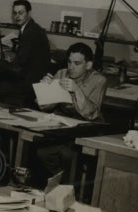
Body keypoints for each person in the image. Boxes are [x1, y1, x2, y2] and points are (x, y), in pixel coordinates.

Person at [34, 42, 108, 186]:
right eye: (69, 62)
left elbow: (90, 113)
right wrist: (45, 89)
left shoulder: (99, 80)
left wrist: (76, 89)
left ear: (88, 65)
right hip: (65, 128)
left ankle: (69, 187)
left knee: (68, 155)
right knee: (41, 151)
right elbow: (44, 107)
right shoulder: (62, 73)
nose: (71, 67)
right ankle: (60, 184)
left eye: (77, 63)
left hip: (88, 129)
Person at [0, 0, 51, 105]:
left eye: (21, 12)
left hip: (31, 83)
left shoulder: (30, 32)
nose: (17, 16)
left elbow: (17, 66)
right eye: (15, 13)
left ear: (29, 13)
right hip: (33, 76)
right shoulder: (32, 28)